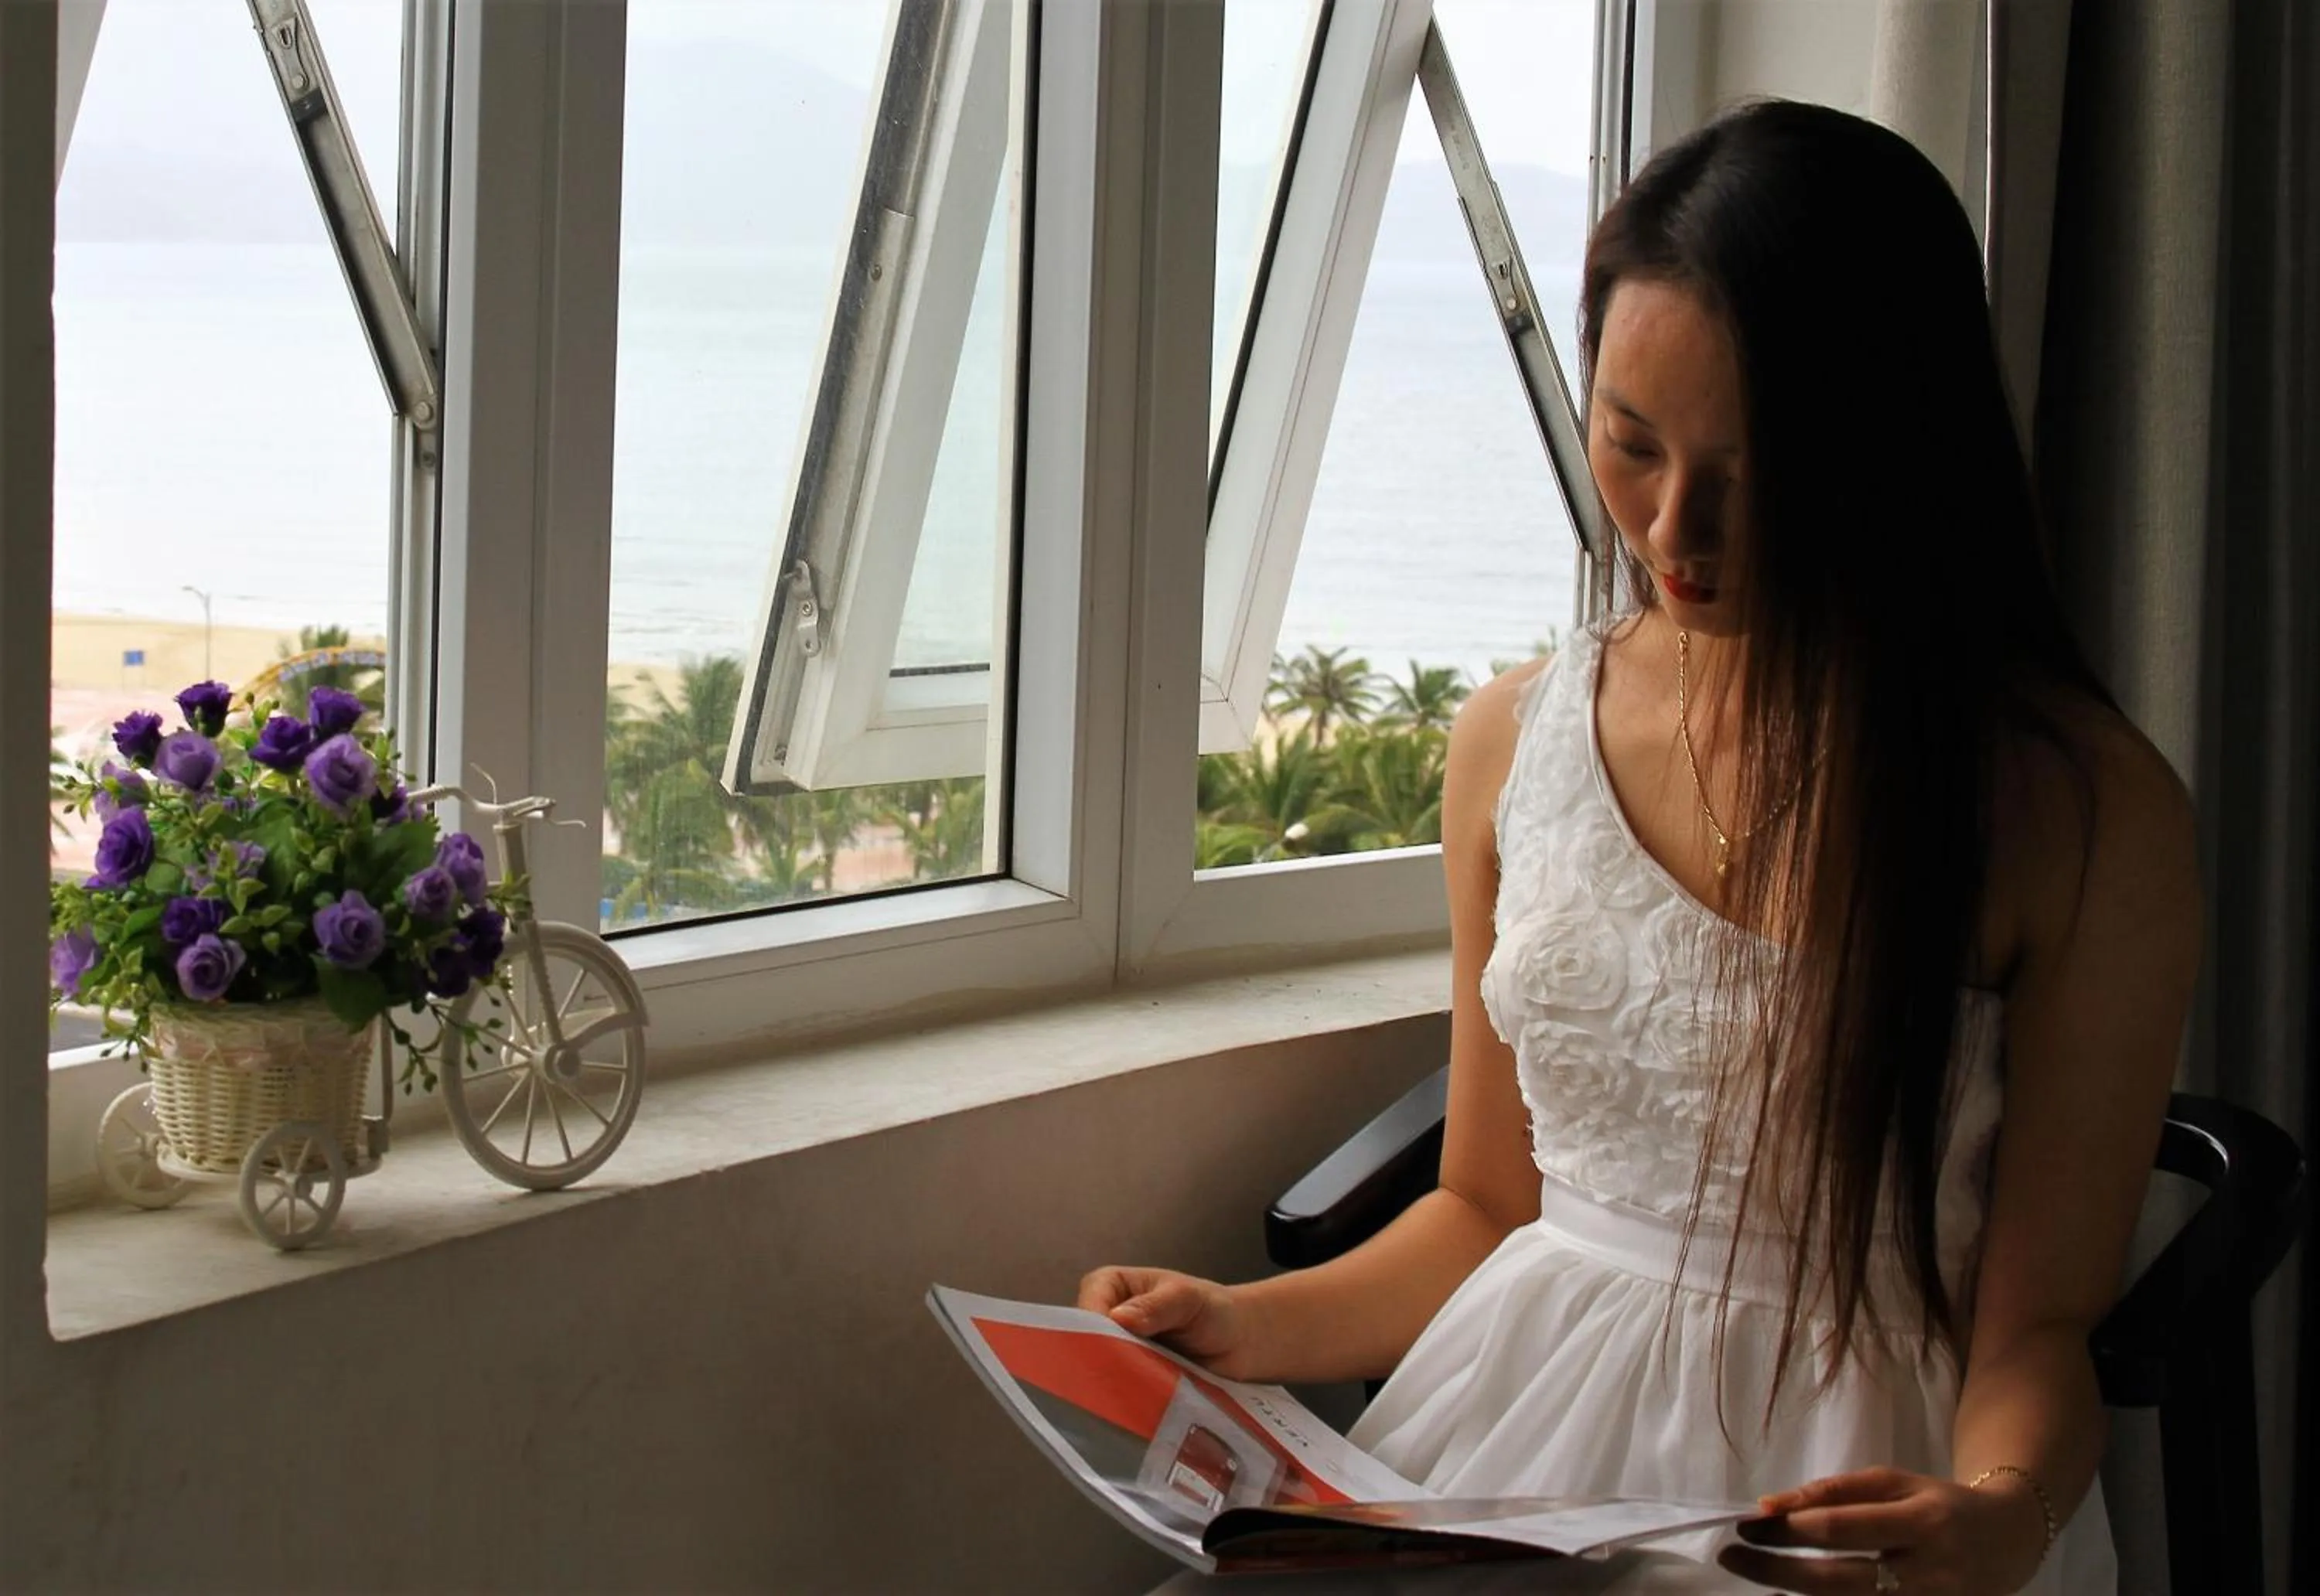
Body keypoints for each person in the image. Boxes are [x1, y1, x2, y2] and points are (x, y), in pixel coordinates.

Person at [1082, 100, 2199, 1596]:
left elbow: (2038, 1328)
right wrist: (1241, 1324)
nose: (1677, 530)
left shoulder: (2073, 810)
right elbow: (1486, 1208)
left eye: (1758, 469)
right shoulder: (1514, 741)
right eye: (1630, 444)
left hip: (1857, 1482)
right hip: (1515, 1431)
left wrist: (2000, 1511)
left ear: (1896, 449)